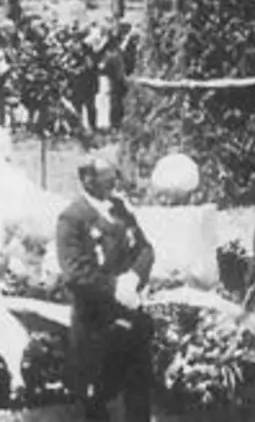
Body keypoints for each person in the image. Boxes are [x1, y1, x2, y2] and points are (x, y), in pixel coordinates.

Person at [56, 157, 156, 422]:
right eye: (106, 177)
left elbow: (145, 249)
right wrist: (114, 287)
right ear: (87, 180)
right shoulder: (73, 218)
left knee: (138, 393)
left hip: (130, 317)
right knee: (97, 398)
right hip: (95, 325)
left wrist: (134, 276)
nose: (114, 182)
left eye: (114, 176)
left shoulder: (121, 209)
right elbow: (75, 273)